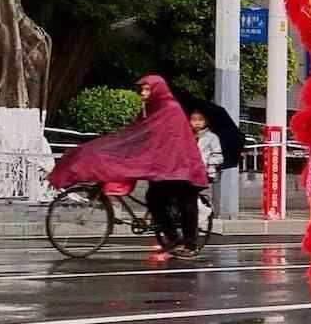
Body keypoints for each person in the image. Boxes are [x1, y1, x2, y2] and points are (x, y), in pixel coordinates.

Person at [51, 75, 209, 260]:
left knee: (186, 203)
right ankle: (173, 238)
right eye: (142, 89)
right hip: (164, 167)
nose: (143, 93)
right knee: (154, 199)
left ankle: (191, 245)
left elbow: (170, 140)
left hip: (184, 166)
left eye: (148, 89)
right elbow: (136, 134)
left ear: (158, 89)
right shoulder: (150, 110)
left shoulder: (170, 108)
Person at [190, 109, 223, 234]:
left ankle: (204, 210)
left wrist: (206, 162)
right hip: (188, 170)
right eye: (194, 120)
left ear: (206, 121)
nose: (197, 122)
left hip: (205, 171)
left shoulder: (212, 137)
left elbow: (219, 157)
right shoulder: (187, 135)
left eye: (200, 120)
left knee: (187, 192)